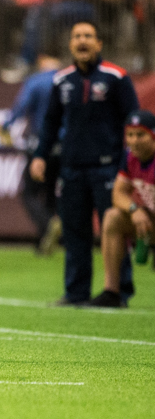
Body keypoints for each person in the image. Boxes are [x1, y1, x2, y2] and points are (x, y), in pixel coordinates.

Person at [31, 20, 139, 306]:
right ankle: (76, 291)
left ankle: (118, 290)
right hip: (71, 167)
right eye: (77, 36)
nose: (82, 41)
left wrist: (128, 165)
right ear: (70, 44)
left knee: (112, 229)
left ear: (99, 43)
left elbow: (133, 122)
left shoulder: (116, 77)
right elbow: (51, 122)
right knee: (74, 230)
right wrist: (40, 155)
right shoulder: (61, 80)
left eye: (88, 36)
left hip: (108, 166)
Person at [0, 53, 63, 255]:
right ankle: (43, 242)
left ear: (43, 61)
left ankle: (47, 225)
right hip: (63, 145)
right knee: (52, 193)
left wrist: (6, 126)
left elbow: (21, 106)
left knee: (30, 192)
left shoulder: (36, 81)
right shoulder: (68, 81)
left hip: (40, 144)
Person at [88, 110, 153, 308]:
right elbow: (118, 193)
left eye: (140, 134)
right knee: (112, 217)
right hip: (149, 218)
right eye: (130, 135)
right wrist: (135, 210)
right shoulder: (129, 157)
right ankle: (112, 292)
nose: (134, 140)